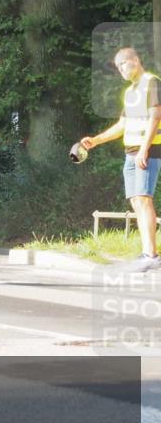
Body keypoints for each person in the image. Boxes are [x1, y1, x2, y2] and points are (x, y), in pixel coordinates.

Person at [81, 47, 161, 271]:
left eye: (123, 64)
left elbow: (156, 116)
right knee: (136, 201)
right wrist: (95, 140)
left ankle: (151, 255)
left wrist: (145, 148)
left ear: (135, 60)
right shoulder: (130, 92)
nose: (121, 70)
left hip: (149, 149)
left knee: (144, 199)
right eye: (118, 67)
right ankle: (147, 253)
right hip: (130, 151)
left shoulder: (151, 82)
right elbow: (122, 125)